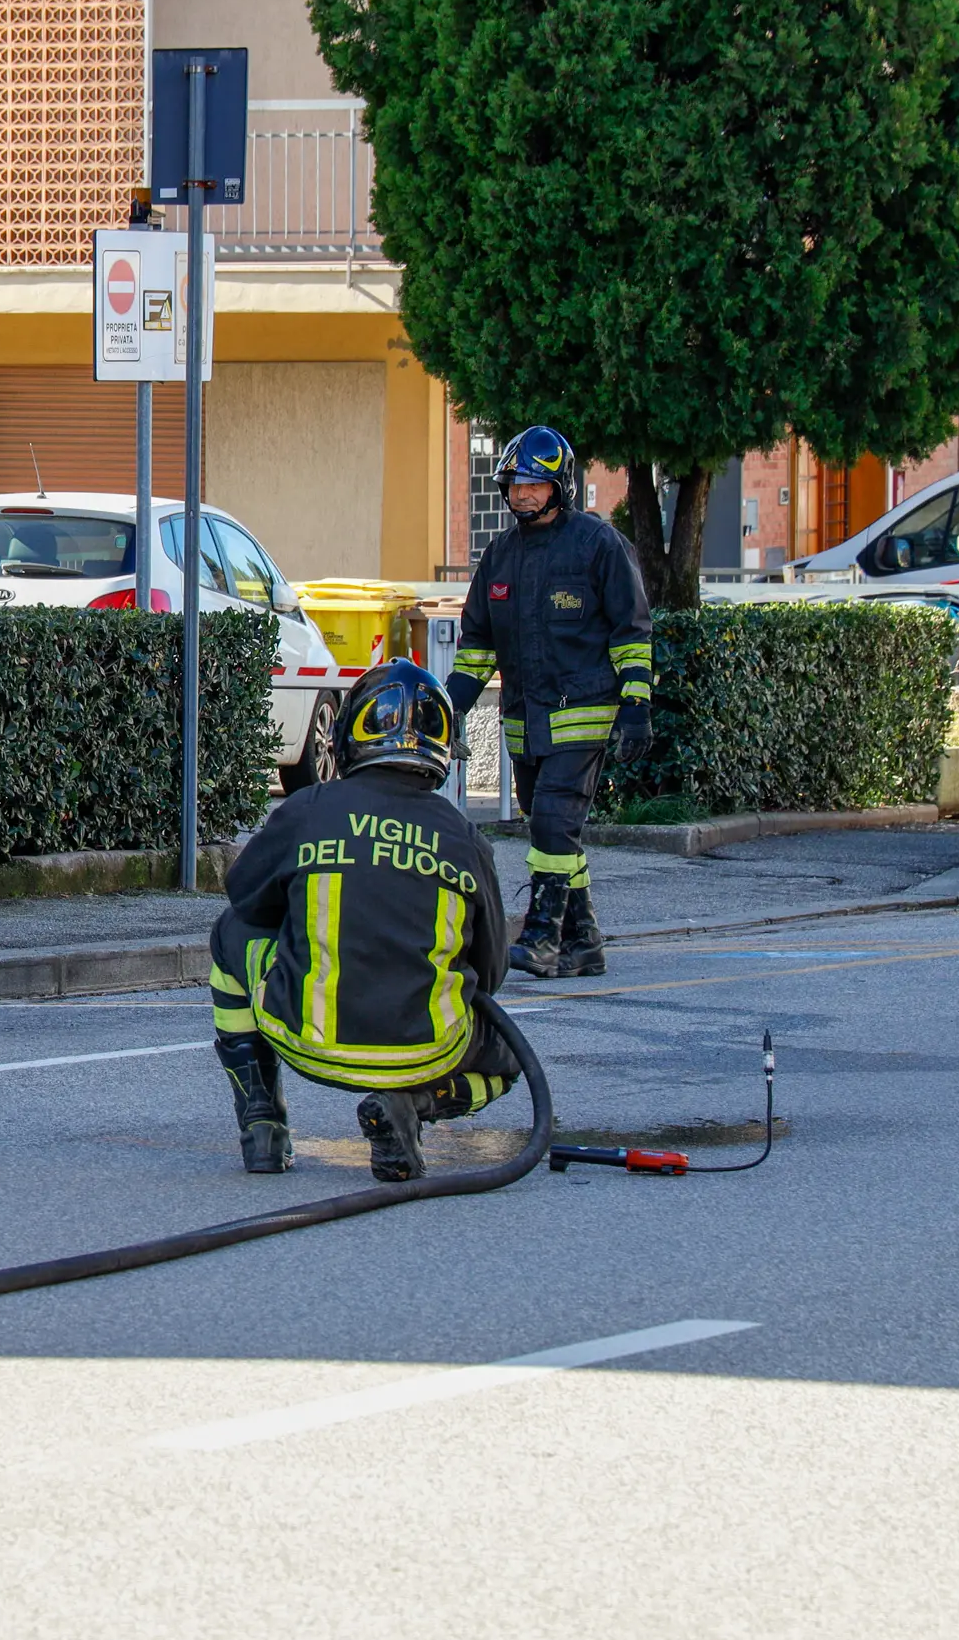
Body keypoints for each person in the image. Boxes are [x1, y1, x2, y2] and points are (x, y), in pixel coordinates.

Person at [208, 661, 522, 1180]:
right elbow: (492, 972)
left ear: (351, 736)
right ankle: (417, 1105)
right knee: (508, 1060)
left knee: (229, 936)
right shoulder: (464, 836)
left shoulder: (309, 809)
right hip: (432, 1051)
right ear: (443, 750)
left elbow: (245, 898)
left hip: (306, 1039)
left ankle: (261, 1123)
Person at [442, 425, 654, 980]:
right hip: (524, 722)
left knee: (553, 824)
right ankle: (583, 943)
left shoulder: (597, 545)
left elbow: (631, 631)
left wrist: (636, 705)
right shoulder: (500, 557)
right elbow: (477, 647)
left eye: (534, 484)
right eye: (513, 484)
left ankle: (538, 935)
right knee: (552, 827)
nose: (521, 494)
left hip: (583, 712)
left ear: (560, 486)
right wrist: (448, 707)